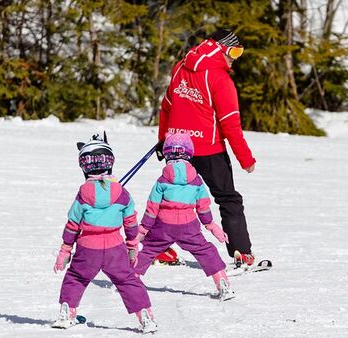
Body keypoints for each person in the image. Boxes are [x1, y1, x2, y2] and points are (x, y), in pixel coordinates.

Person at [156, 29, 256, 267]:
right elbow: (231, 124)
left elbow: (166, 107)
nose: (235, 58)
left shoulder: (180, 67)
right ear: (221, 49)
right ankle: (241, 251)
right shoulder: (220, 79)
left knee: (173, 199)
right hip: (208, 150)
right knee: (228, 199)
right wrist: (246, 158)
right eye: (234, 51)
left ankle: (159, 248)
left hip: (177, 149)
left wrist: (164, 141)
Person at [52, 132, 157, 333]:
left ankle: (66, 312)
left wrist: (65, 250)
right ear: (110, 163)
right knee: (127, 281)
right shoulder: (122, 193)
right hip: (114, 247)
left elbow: (72, 224)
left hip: (87, 248)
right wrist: (133, 245)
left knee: (75, 277)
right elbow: (130, 222)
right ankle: (144, 316)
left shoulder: (82, 194)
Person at [129, 132, 235, 301]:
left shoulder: (162, 180)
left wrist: (142, 231)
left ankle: (131, 282)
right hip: (189, 225)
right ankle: (222, 281)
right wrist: (212, 226)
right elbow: (203, 207)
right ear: (190, 153)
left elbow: (152, 208)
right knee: (205, 251)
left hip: (163, 225)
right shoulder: (196, 180)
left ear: (166, 154)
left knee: (148, 250)